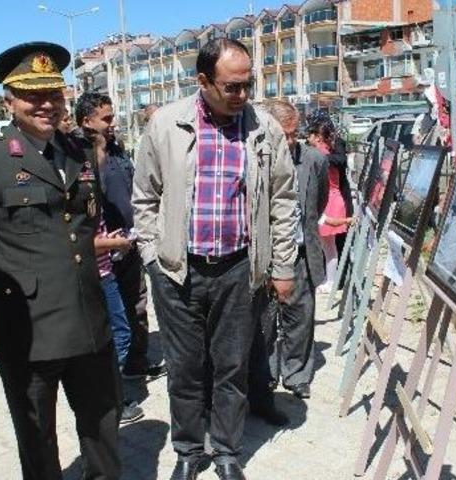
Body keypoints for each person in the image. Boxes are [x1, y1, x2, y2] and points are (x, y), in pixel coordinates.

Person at [0, 42, 121, 480]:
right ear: (9, 101)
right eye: (33, 95)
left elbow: (82, 229)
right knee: (38, 442)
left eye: (54, 94)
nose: (46, 105)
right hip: (27, 332)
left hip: (88, 322)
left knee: (103, 431)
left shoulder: (78, 152)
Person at [133, 38, 298, 480]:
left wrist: (282, 266)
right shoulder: (167, 125)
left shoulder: (263, 128)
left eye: (248, 84)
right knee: (185, 371)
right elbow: (144, 197)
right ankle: (188, 450)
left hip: (238, 271)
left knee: (232, 367)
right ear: (203, 81)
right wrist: (153, 256)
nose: (242, 95)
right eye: (231, 86)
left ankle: (226, 450)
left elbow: (283, 201)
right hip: (177, 273)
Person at [248, 99, 329, 424]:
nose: (291, 141)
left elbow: (318, 202)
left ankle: (297, 376)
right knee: (264, 322)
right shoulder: (255, 160)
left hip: (299, 254)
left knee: (300, 318)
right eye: (285, 135)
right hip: (263, 258)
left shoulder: (313, 161)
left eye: (296, 134)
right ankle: (266, 375)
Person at [75, 92, 149, 423]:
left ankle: (132, 371)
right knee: (113, 332)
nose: (112, 123)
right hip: (104, 257)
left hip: (124, 246)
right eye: (105, 119)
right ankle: (111, 400)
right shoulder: (82, 160)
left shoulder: (116, 150)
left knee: (132, 315)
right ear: (86, 122)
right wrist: (110, 243)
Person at [311, 118, 353, 293]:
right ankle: (331, 279)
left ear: (319, 136)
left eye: (312, 134)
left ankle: (333, 281)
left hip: (331, 200)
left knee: (329, 246)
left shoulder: (320, 154)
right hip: (332, 199)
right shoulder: (325, 151)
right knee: (328, 246)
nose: (308, 137)